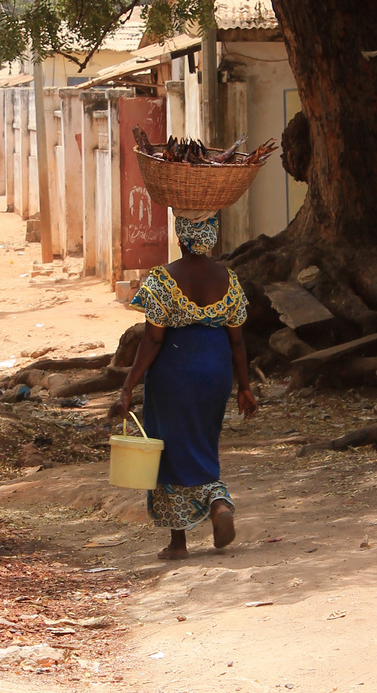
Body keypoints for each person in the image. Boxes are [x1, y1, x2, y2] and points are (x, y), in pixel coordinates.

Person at [108, 215, 257, 560]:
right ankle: (218, 504)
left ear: (181, 236)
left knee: (171, 449)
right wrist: (244, 387)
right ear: (211, 236)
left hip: (174, 371)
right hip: (215, 370)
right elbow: (237, 342)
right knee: (204, 441)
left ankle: (178, 543)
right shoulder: (229, 281)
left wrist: (127, 386)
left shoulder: (163, 279)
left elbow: (153, 340)